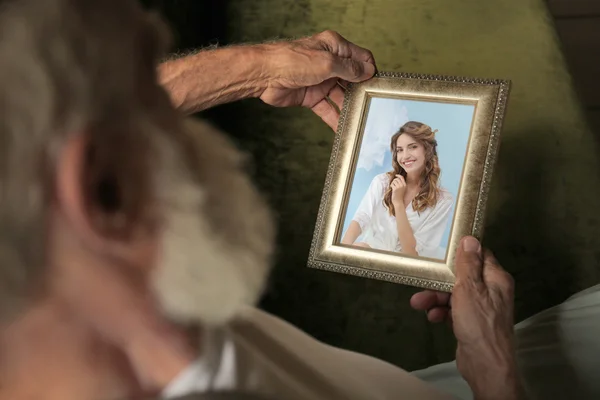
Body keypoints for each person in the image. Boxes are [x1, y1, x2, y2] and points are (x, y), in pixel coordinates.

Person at [0, 1, 589, 400]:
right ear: (95, 185)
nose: (164, 96)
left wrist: (251, 71)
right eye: (141, 79)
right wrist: (492, 369)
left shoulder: (71, 292)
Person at [341, 121, 453, 258]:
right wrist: (341, 253)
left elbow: (411, 254)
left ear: (427, 150)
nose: (405, 156)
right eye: (400, 150)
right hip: (372, 250)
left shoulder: (442, 200)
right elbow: (361, 218)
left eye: (412, 147)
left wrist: (398, 203)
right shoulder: (382, 182)